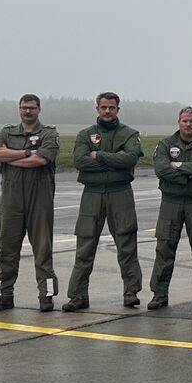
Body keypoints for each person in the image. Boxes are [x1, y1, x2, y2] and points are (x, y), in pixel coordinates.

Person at [64, 92, 144, 311]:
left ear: (118, 109)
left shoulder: (129, 134)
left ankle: (131, 292)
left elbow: (129, 159)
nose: (107, 111)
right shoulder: (85, 135)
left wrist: (98, 156)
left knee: (126, 244)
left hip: (120, 193)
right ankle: (78, 295)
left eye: (111, 107)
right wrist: (113, 160)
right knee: (85, 246)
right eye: (103, 107)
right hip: (92, 194)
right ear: (97, 109)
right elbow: (80, 161)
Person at [0, 94, 60, 312]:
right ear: (19, 109)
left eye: (32, 108)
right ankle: (3, 295)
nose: (28, 112)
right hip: (11, 199)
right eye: (24, 108)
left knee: (43, 249)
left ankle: (45, 296)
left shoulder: (49, 133)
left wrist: (11, 157)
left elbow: (41, 159)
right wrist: (26, 152)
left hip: (40, 199)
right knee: (7, 249)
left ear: (39, 109)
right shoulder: (7, 132)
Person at [147, 107, 192, 310]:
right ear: (179, 122)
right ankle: (159, 294)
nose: (189, 125)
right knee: (164, 248)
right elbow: (161, 170)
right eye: (185, 121)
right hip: (171, 202)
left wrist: (177, 166)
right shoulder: (165, 144)